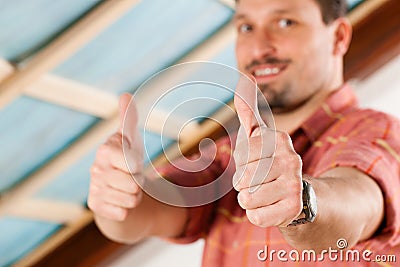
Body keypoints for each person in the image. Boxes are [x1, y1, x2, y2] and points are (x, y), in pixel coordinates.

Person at [87, 0, 400, 266]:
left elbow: (359, 203)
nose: (259, 47)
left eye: (285, 22)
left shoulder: (378, 132)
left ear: (339, 37)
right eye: (246, 28)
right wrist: (119, 195)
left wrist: (302, 200)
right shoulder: (226, 154)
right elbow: (146, 213)